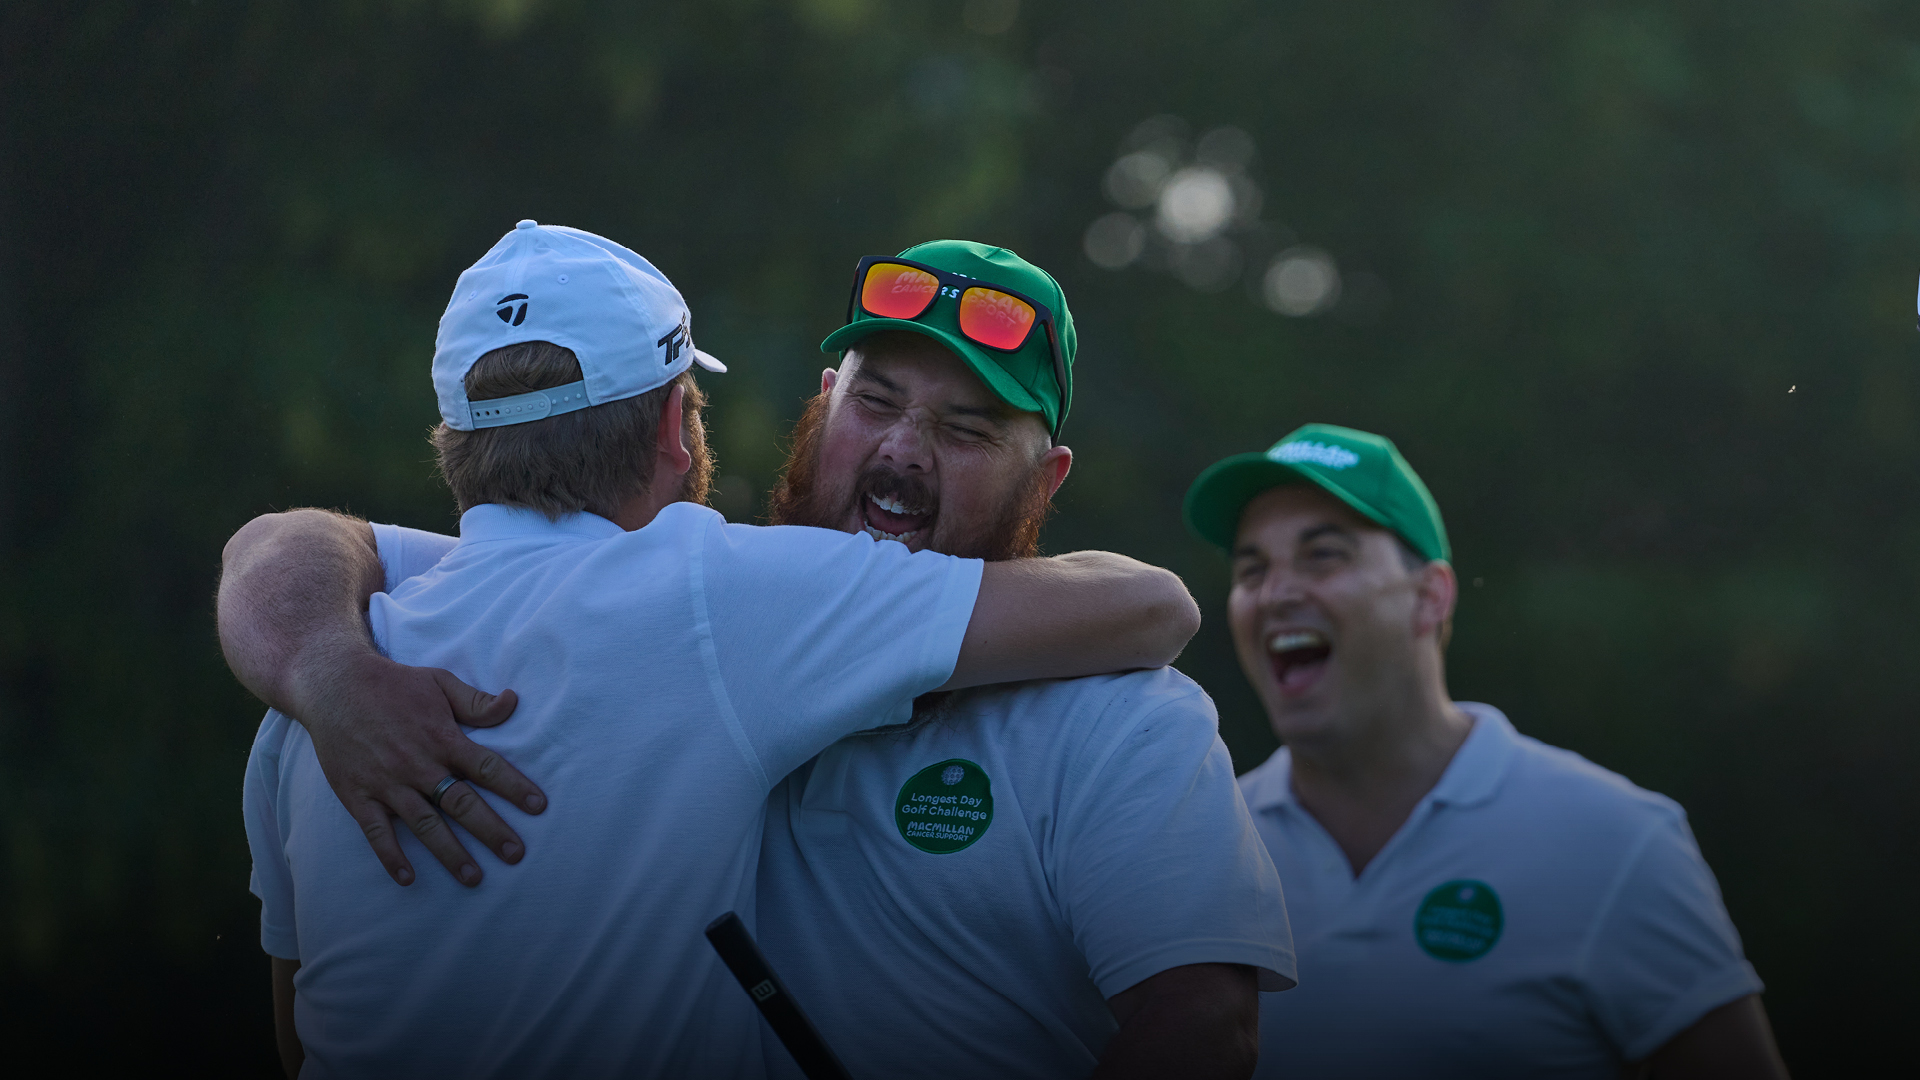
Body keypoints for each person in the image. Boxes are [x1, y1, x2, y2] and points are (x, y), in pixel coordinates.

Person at [224, 240, 1296, 1080]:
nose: (902, 453)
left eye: (967, 430)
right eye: (873, 402)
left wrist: (322, 668)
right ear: (684, 434)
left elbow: (1203, 1031)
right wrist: (324, 663)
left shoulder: (1124, 714)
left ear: (1046, 480)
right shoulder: (714, 597)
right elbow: (1158, 596)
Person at [1182, 423, 1791, 1079]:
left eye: (1323, 556)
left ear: (1431, 596)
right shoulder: (1200, 849)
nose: (1276, 593)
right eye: (1252, 569)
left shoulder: (1614, 840)